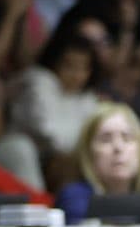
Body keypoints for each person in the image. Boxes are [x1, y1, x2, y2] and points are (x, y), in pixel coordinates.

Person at [8, 25, 104, 177]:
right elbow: (49, 135)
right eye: (69, 65)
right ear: (54, 62)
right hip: (29, 159)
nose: (76, 75)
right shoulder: (39, 82)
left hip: (63, 164)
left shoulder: (88, 99)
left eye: (83, 68)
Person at [57, 103, 140, 225]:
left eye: (127, 138)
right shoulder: (75, 199)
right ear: (88, 152)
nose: (118, 147)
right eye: (105, 139)